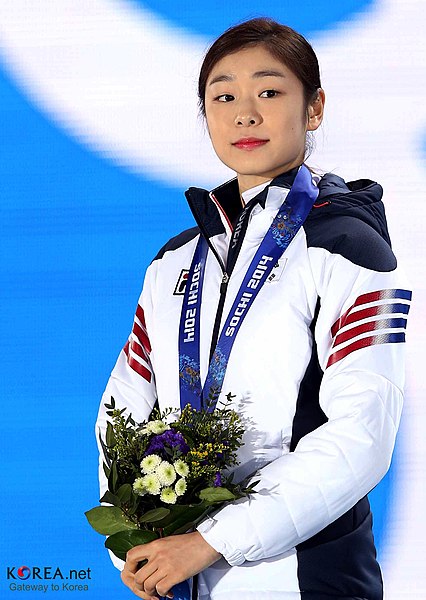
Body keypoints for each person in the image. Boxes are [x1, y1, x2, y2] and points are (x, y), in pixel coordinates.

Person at [96, 17, 411, 600]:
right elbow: (125, 406)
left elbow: (360, 435)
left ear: (313, 108)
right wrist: (143, 529)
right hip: (182, 578)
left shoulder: (346, 246)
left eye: (269, 91)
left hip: (309, 579)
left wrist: (213, 540)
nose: (245, 113)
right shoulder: (173, 261)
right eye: (223, 96)